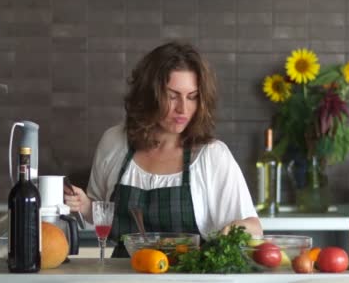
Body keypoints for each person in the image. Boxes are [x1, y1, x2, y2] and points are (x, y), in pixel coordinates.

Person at [64, 41, 262, 257]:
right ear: (149, 95)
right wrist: (84, 206)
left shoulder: (212, 156)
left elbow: (254, 228)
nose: (183, 109)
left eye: (192, 97)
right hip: (124, 275)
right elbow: (101, 213)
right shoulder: (114, 142)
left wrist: (233, 230)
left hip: (189, 279)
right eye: (172, 96)